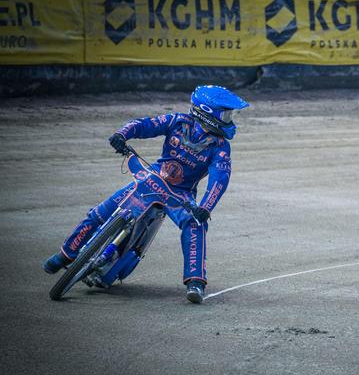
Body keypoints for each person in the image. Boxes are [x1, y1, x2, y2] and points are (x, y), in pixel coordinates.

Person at [42, 85, 250, 303]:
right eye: (227, 114)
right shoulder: (176, 121)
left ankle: (195, 283)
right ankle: (64, 255)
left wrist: (205, 208)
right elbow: (144, 125)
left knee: (196, 225)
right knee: (100, 212)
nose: (230, 120)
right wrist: (122, 135)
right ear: (208, 112)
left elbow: (220, 179)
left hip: (181, 196)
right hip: (152, 179)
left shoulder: (221, 146)